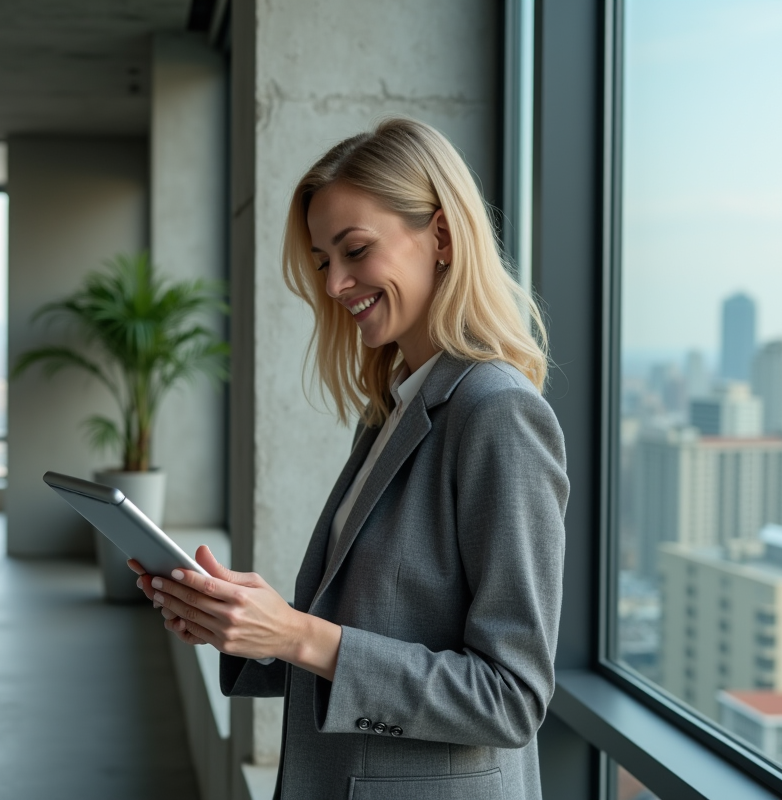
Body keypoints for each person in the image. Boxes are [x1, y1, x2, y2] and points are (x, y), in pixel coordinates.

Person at [129, 117, 568, 800]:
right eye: (322, 261)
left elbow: (510, 698)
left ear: (443, 237)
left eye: (355, 250)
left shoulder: (497, 412)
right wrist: (248, 629)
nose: (334, 284)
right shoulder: (394, 407)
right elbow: (376, 633)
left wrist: (301, 635)